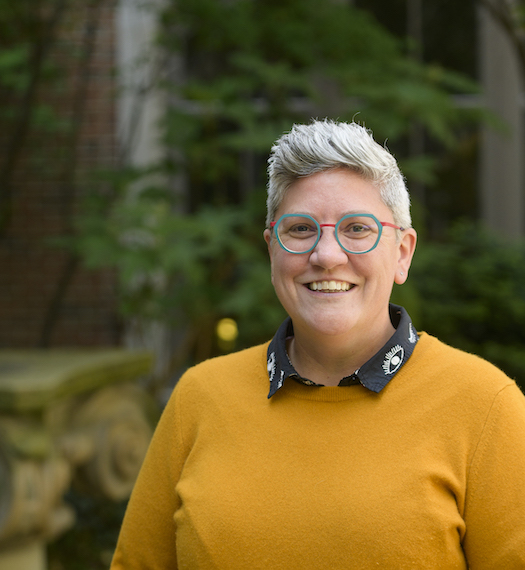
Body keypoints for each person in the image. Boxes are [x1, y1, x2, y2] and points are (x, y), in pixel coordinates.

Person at [110, 120, 525, 569]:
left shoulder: (485, 407)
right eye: (301, 229)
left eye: (357, 229)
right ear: (272, 249)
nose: (327, 254)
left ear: (402, 253)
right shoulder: (199, 398)